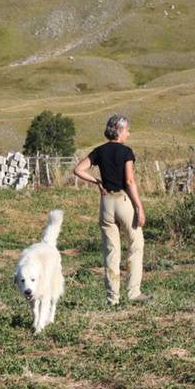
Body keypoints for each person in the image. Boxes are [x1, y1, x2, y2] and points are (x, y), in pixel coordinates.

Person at [73, 114, 152, 306]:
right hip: (123, 201)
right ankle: (133, 292)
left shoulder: (99, 151)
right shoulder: (126, 152)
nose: (129, 134)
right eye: (127, 130)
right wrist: (139, 207)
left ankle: (112, 298)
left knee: (111, 252)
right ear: (119, 131)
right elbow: (129, 181)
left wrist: (97, 181)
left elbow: (78, 169)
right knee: (135, 245)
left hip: (106, 203)